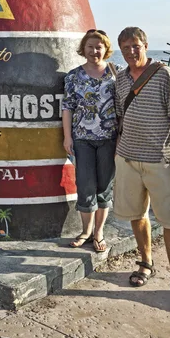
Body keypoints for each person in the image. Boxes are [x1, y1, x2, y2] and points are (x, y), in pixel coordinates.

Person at [114, 27, 170, 311]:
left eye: (135, 46)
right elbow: (121, 115)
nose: (130, 52)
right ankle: (146, 262)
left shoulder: (163, 74)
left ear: (145, 45)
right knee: (137, 215)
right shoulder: (121, 79)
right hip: (127, 158)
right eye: (124, 48)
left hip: (160, 160)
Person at [62, 29, 120, 253]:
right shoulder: (73, 76)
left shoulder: (117, 73)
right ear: (83, 49)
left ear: (106, 49)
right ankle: (86, 231)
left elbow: (123, 106)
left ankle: (99, 232)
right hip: (82, 139)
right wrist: (67, 137)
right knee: (85, 186)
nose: (94, 50)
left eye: (99, 46)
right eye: (90, 46)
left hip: (110, 139)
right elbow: (67, 108)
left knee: (104, 187)